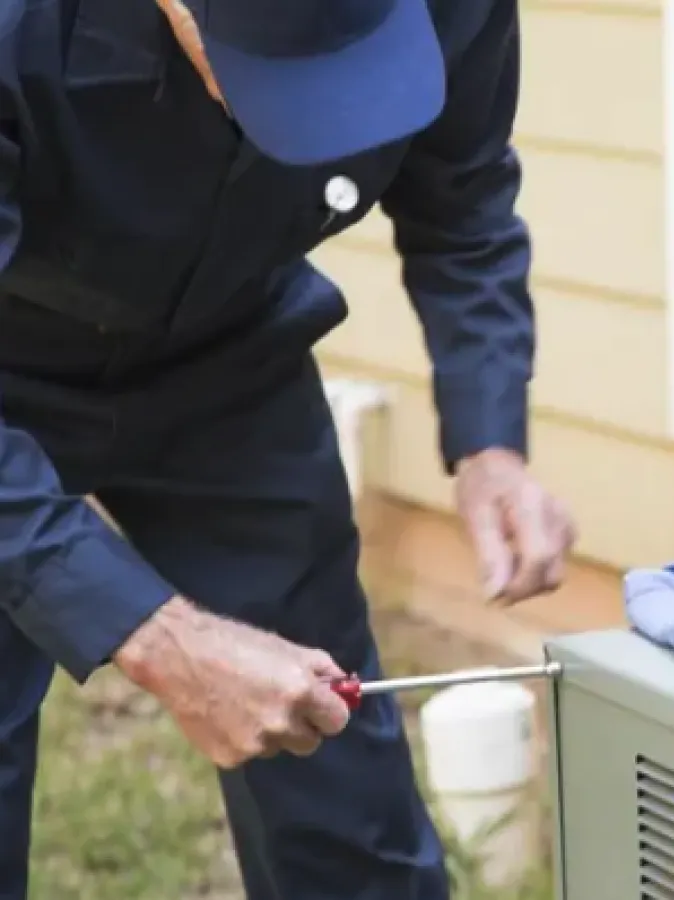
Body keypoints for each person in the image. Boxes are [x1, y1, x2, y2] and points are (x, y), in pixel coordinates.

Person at [0, 0, 577, 896]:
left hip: (229, 360)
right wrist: (162, 636)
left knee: (335, 768)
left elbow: (460, 197)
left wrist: (489, 439)